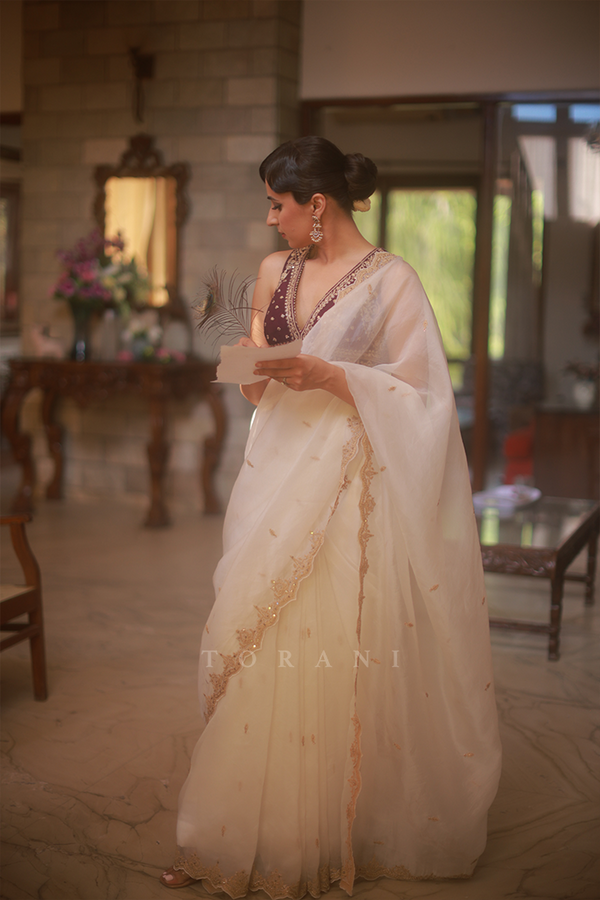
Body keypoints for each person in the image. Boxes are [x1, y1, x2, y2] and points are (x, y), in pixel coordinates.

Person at [160, 136, 501, 897]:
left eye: (277, 205)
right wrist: (250, 363)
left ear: (317, 204)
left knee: (327, 648)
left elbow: (423, 395)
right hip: (273, 476)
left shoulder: (392, 281)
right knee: (253, 638)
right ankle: (224, 832)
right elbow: (256, 386)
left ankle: (328, 832)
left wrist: (329, 373)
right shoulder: (271, 272)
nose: (270, 219)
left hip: (350, 487)